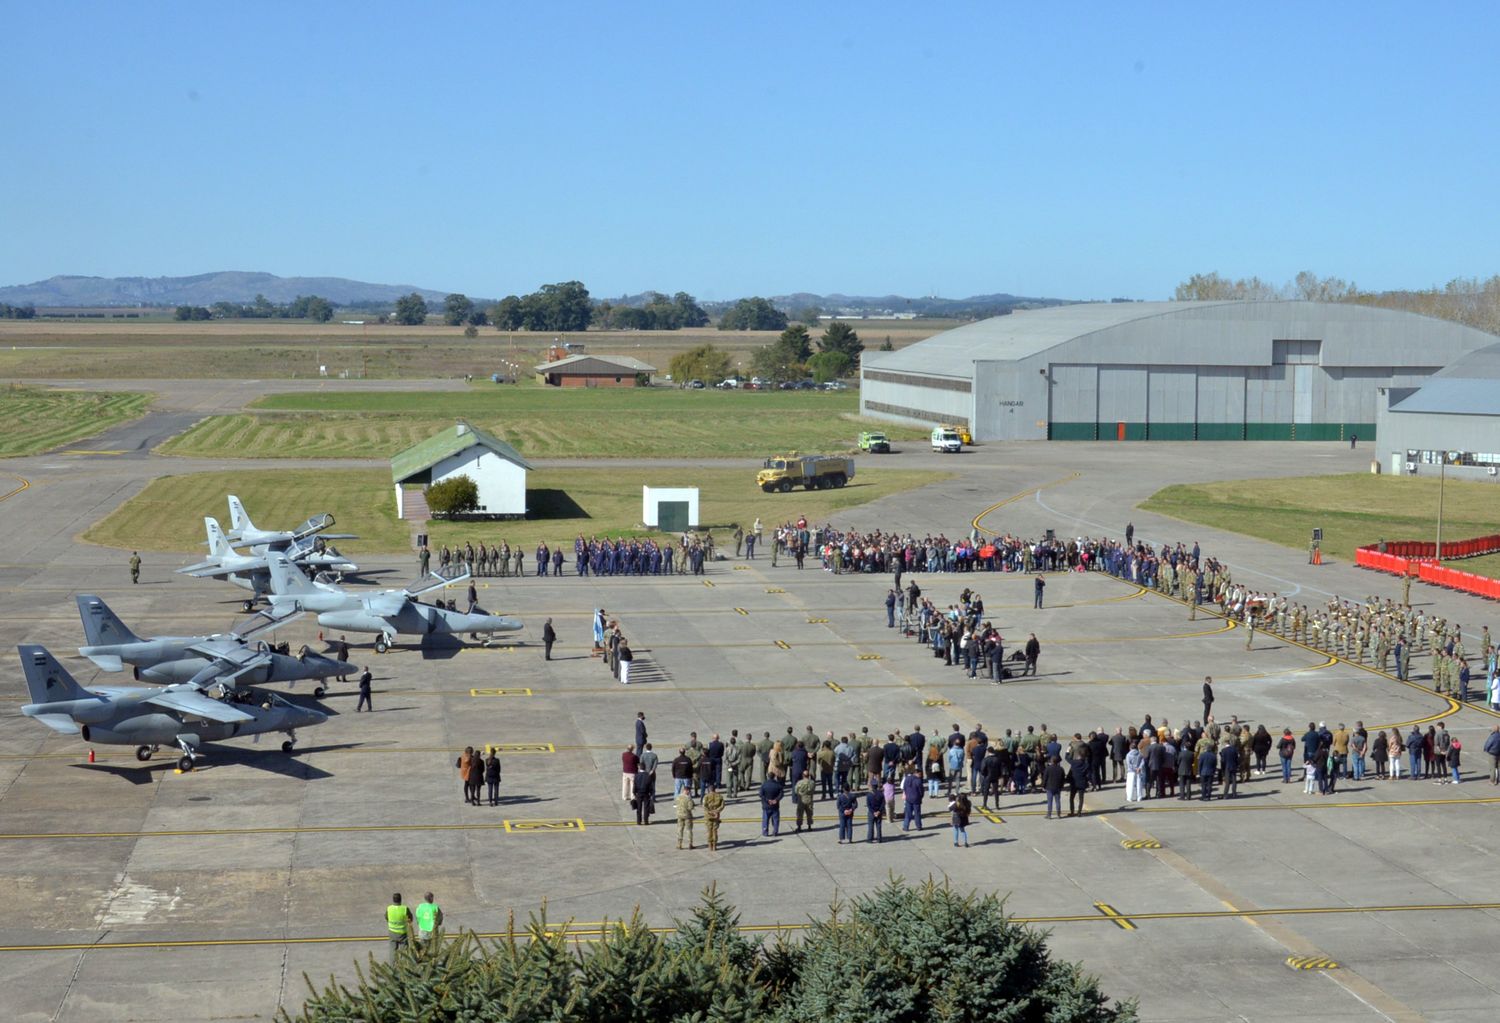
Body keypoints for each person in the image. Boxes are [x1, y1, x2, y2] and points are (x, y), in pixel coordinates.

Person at [386, 893, 413, 960]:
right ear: (400, 900)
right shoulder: (405, 909)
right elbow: (410, 918)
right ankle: (403, 966)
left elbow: (386, 917)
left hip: (392, 931)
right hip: (402, 932)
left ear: (393, 900)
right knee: (404, 950)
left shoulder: (389, 908)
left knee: (393, 949)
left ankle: (393, 966)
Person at [703, 784, 724, 850]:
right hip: (716, 815)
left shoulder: (706, 796)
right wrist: (716, 811)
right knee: (715, 830)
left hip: (708, 816)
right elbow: (722, 806)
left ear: (709, 790)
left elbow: (704, 806)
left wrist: (709, 812)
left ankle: (710, 845)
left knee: (709, 830)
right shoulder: (720, 796)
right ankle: (714, 845)